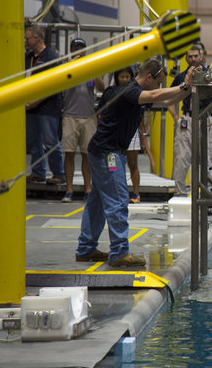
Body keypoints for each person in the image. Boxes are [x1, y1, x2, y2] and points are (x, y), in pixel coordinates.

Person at [75, 58, 195, 267]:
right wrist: (183, 85)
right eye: (158, 81)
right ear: (149, 77)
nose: (159, 86)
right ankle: (119, 252)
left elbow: (165, 101)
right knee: (118, 200)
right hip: (108, 154)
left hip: (103, 151)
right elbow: (156, 94)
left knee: (97, 203)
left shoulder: (135, 95)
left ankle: (85, 249)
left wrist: (188, 88)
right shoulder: (129, 91)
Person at [169, 43, 212, 196]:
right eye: (190, 56)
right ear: (186, 58)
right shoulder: (182, 77)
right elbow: (169, 97)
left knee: (208, 158)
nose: (193, 59)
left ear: (202, 56)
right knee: (182, 159)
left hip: (207, 121)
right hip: (187, 121)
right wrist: (176, 117)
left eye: (196, 56)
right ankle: (180, 194)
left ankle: (208, 194)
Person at [61, 38, 105, 202]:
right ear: (71, 51)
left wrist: (92, 71)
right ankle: (69, 190)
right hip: (70, 116)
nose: (79, 51)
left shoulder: (91, 66)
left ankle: (88, 189)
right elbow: (61, 82)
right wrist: (72, 65)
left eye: (81, 48)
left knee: (87, 154)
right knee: (69, 154)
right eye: (76, 48)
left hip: (88, 117)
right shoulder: (66, 67)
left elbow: (101, 87)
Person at [24, 24, 65, 184]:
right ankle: (38, 172)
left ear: (37, 38)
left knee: (50, 141)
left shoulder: (51, 58)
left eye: (28, 39)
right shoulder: (29, 58)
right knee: (33, 142)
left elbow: (55, 85)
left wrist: (36, 101)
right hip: (30, 108)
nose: (26, 41)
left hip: (47, 108)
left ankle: (58, 174)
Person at [112, 66, 145, 204]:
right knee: (113, 165)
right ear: (117, 78)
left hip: (132, 132)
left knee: (133, 163)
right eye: (122, 77)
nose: (125, 79)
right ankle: (114, 192)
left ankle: (136, 193)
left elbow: (140, 115)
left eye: (127, 77)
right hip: (115, 134)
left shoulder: (136, 92)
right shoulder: (112, 93)